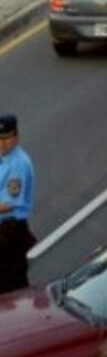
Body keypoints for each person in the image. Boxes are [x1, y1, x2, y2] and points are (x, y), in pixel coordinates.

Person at [0, 115, 34, 294]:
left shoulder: (19, 163)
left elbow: (8, 204)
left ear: (16, 137)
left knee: (13, 287)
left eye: (6, 138)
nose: (2, 143)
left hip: (10, 231)